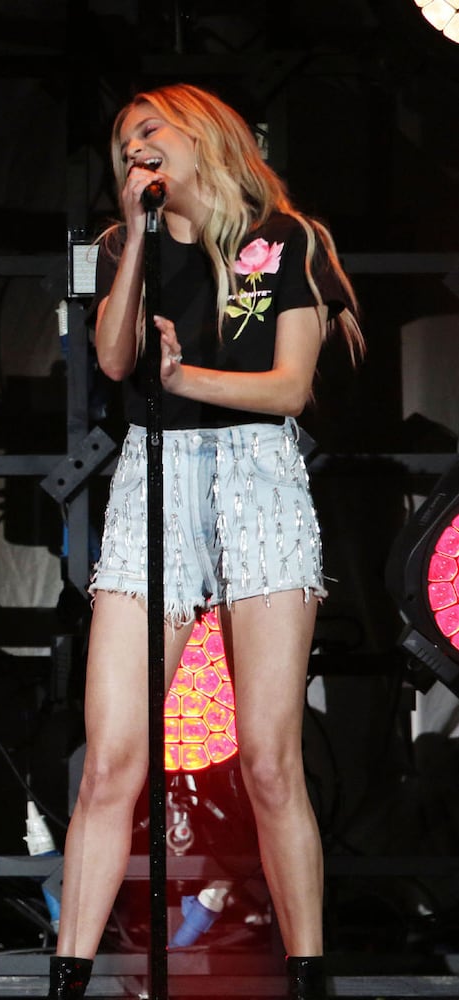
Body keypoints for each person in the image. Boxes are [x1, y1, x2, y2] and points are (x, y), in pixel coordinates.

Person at [50, 83, 364, 1000]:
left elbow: (290, 387)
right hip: (153, 472)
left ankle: (307, 974)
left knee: (267, 758)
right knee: (112, 758)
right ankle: (67, 975)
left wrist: (187, 376)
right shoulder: (125, 246)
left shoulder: (284, 238)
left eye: (149, 129)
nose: (132, 147)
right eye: (121, 140)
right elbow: (114, 362)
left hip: (255, 474)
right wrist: (133, 236)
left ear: (204, 134)